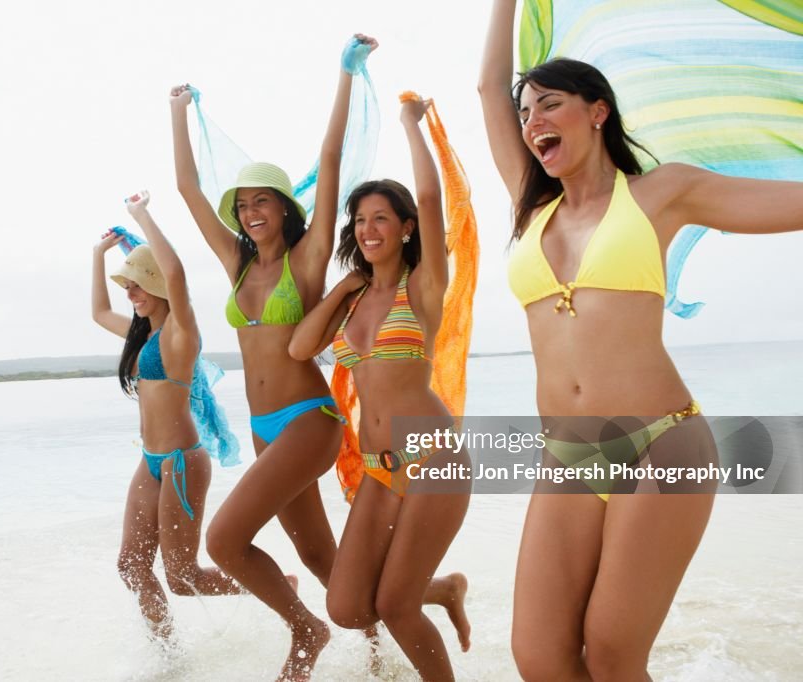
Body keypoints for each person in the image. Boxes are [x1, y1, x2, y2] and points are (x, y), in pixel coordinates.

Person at [478, 1, 803, 679]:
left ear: (598, 111)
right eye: (526, 113)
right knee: (540, 658)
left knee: (615, 654)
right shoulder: (531, 206)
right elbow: (487, 88)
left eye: (551, 104)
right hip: (569, 455)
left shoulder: (662, 193)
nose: (533, 121)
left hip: (661, 440)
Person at [170, 35, 378, 681]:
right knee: (321, 559)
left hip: (307, 420)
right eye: (242, 204)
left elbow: (331, 157)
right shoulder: (236, 263)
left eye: (261, 200)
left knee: (224, 541)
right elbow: (186, 188)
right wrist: (178, 110)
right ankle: (388, 641)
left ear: (284, 207)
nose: (249, 211)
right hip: (264, 431)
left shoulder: (307, 256)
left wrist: (347, 74)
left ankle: (306, 632)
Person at [289, 96, 471, 681]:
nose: (368, 230)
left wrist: (411, 128)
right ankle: (440, 589)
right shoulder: (354, 302)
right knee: (345, 608)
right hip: (376, 465)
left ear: (405, 228)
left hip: (431, 456)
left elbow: (431, 199)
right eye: (360, 221)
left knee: (394, 606)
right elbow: (299, 348)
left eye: (380, 219)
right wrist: (343, 289)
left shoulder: (421, 288)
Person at [91, 191, 241, 641]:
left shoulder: (180, 331)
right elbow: (98, 313)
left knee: (181, 576)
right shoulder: (138, 337)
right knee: (131, 566)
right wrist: (97, 255)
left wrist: (142, 215)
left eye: (137, 284)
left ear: (157, 284)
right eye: (128, 286)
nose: (131, 293)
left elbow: (176, 273)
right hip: (151, 462)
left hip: (181, 460)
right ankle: (168, 654)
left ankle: (270, 588)